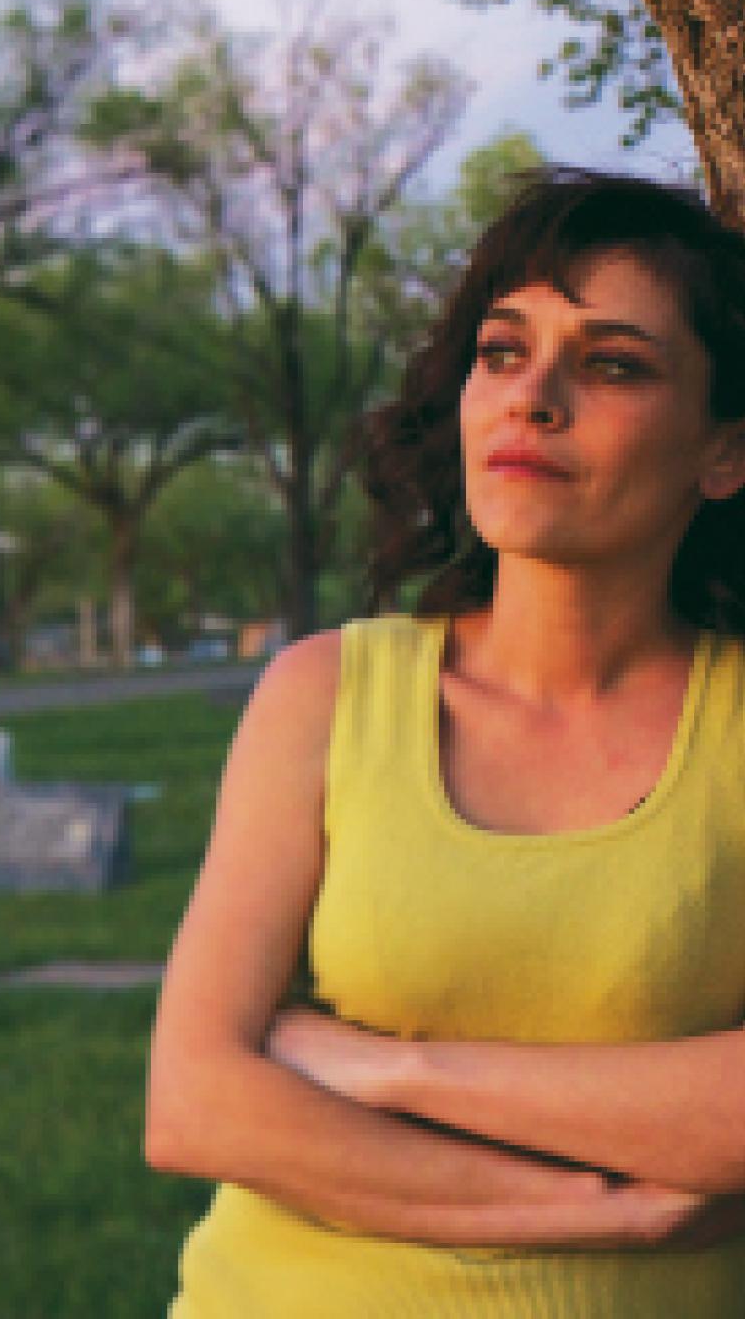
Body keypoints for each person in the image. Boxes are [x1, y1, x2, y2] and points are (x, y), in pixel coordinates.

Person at [145, 167, 745, 1316]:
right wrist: (607, 1207)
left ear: (724, 453)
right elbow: (196, 1101)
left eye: (613, 363)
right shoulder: (324, 692)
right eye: (503, 351)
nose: (534, 398)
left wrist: (387, 1064)